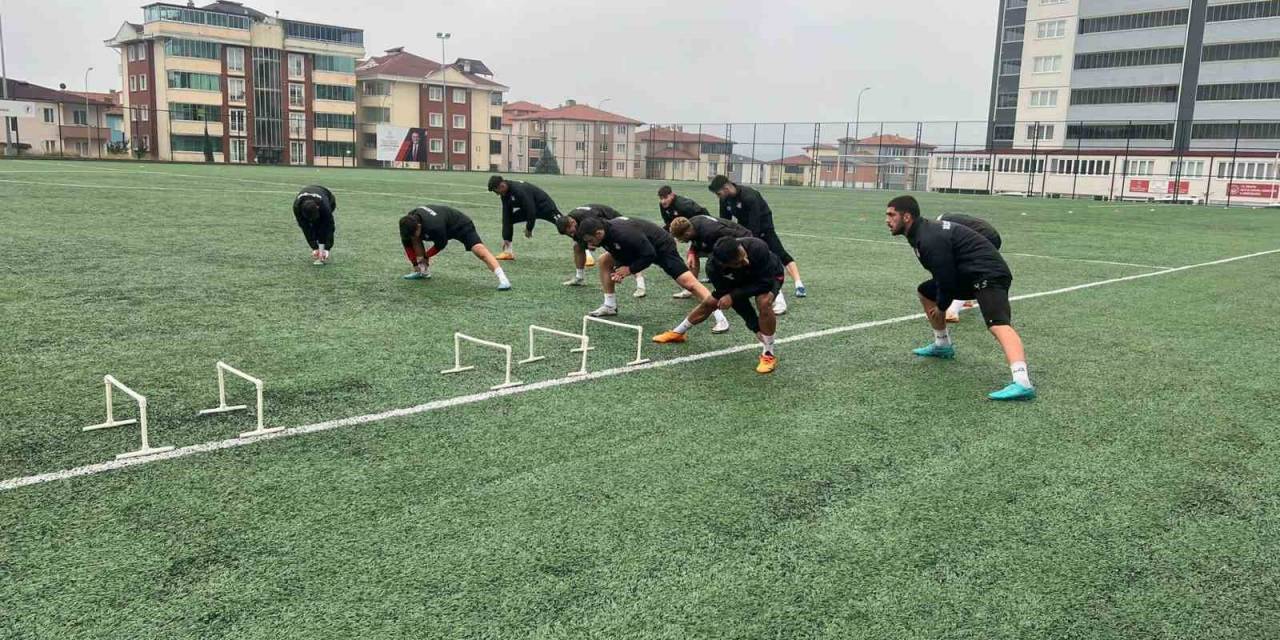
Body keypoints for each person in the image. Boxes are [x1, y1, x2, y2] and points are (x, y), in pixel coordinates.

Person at [886, 195, 1034, 401]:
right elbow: (943, 278)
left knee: (997, 324)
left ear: (907, 217)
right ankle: (942, 345)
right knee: (925, 291)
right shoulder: (920, 233)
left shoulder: (929, 238)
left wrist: (942, 307)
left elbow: (945, 280)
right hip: (968, 274)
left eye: (891, 215)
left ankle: (1022, 382)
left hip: (988, 274)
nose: (887, 220)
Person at [653, 237, 783, 373]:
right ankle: (678, 333)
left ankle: (768, 353)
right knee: (710, 302)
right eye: (738, 262)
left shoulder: (757, 247)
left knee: (764, 302)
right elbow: (739, 303)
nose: (746, 261)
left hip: (769, 277)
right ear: (724, 264)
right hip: (739, 281)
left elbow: (765, 284)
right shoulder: (713, 269)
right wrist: (755, 327)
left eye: (744, 255)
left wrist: (732, 296)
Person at [575, 216, 716, 319]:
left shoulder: (622, 234)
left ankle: (718, 314)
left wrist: (629, 270)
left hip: (661, 247)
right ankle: (610, 306)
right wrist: (620, 268)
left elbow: (649, 255)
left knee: (688, 283)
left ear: (598, 233)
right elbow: (618, 251)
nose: (589, 245)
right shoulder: (605, 233)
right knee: (604, 260)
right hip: (642, 247)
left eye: (589, 240)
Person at [709, 175, 806, 305]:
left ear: (726, 188)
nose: (718, 196)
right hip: (745, 230)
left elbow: (755, 223)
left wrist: (751, 243)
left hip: (764, 227)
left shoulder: (750, 196)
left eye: (718, 193)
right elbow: (725, 222)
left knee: (780, 254)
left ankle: (798, 284)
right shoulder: (725, 199)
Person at [665, 214, 788, 315]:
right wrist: (692, 251)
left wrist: (743, 252)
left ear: (686, 234)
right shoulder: (692, 223)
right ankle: (691, 287)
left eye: (679, 238)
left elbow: (732, 240)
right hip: (723, 243)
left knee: (760, 273)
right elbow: (697, 240)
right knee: (695, 256)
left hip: (742, 239)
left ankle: (777, 295)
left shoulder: (712, 232)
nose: (680, 241)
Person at [399, 206, 511, 291]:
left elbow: (441, 244)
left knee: (479, 250)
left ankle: (503, 279)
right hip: (443, 223)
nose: (412, 236)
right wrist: (415, 263)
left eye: (414, 233)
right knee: (414, 239)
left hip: (460, 225)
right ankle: (423, 272)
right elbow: (407, 243)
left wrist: (426, 256)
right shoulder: (408, 222)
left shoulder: (434, 226)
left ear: (419, 226)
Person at [556, 205, 647, 297]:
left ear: (572, 222)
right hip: (600, 227)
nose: (572, 235)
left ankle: (640, 284)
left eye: (571, 232)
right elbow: (580, 238)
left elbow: (602, 231)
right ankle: (579, 277)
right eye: (568, 234)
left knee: (625, 254)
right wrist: (586, 244)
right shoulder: (571, 220)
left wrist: (593, 244)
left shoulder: (589, 219)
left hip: (614, 223)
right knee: (577, 246)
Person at [937, 212, 1003, 323]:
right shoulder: (945, 219)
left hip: (984, 236)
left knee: (962, 271)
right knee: (969, 269)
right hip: (992, 235)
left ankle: (952, 311)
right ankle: (967, 298)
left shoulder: (939, 227)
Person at [486, 175, 566, 261]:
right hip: (530, 209)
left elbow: (531, 211)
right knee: (508, 220)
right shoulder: (504, 194)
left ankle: (582, 250)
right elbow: (506, 215)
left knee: (564, 225)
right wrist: (506, 238)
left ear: (502, 185)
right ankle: (508, 252)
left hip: (545, 207)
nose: (497, 194)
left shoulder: (519, 190)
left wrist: (529, 228)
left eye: (496, 191)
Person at [657, 185, 713, 285]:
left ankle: (705, 278)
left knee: (705, 252)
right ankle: (693, 279)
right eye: (661, 198)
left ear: (672, 195)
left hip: (702, 227)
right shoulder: (662, 205)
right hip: (685, 228)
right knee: (692, 253)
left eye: (665, 198)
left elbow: (703, 215)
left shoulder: (683, 205)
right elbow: (669, 222)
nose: (663, 201)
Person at [293, 185, 337, 265]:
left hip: (329, 198)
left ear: (317, 207)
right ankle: (319, 250)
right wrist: (314, 247)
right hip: (310, 200)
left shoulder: (324, 206)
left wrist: (327, 248)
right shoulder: (297, 208)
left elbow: (330, 226)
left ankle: (322, 250)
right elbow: (305, 228)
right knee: (313, 228)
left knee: (322, 227)